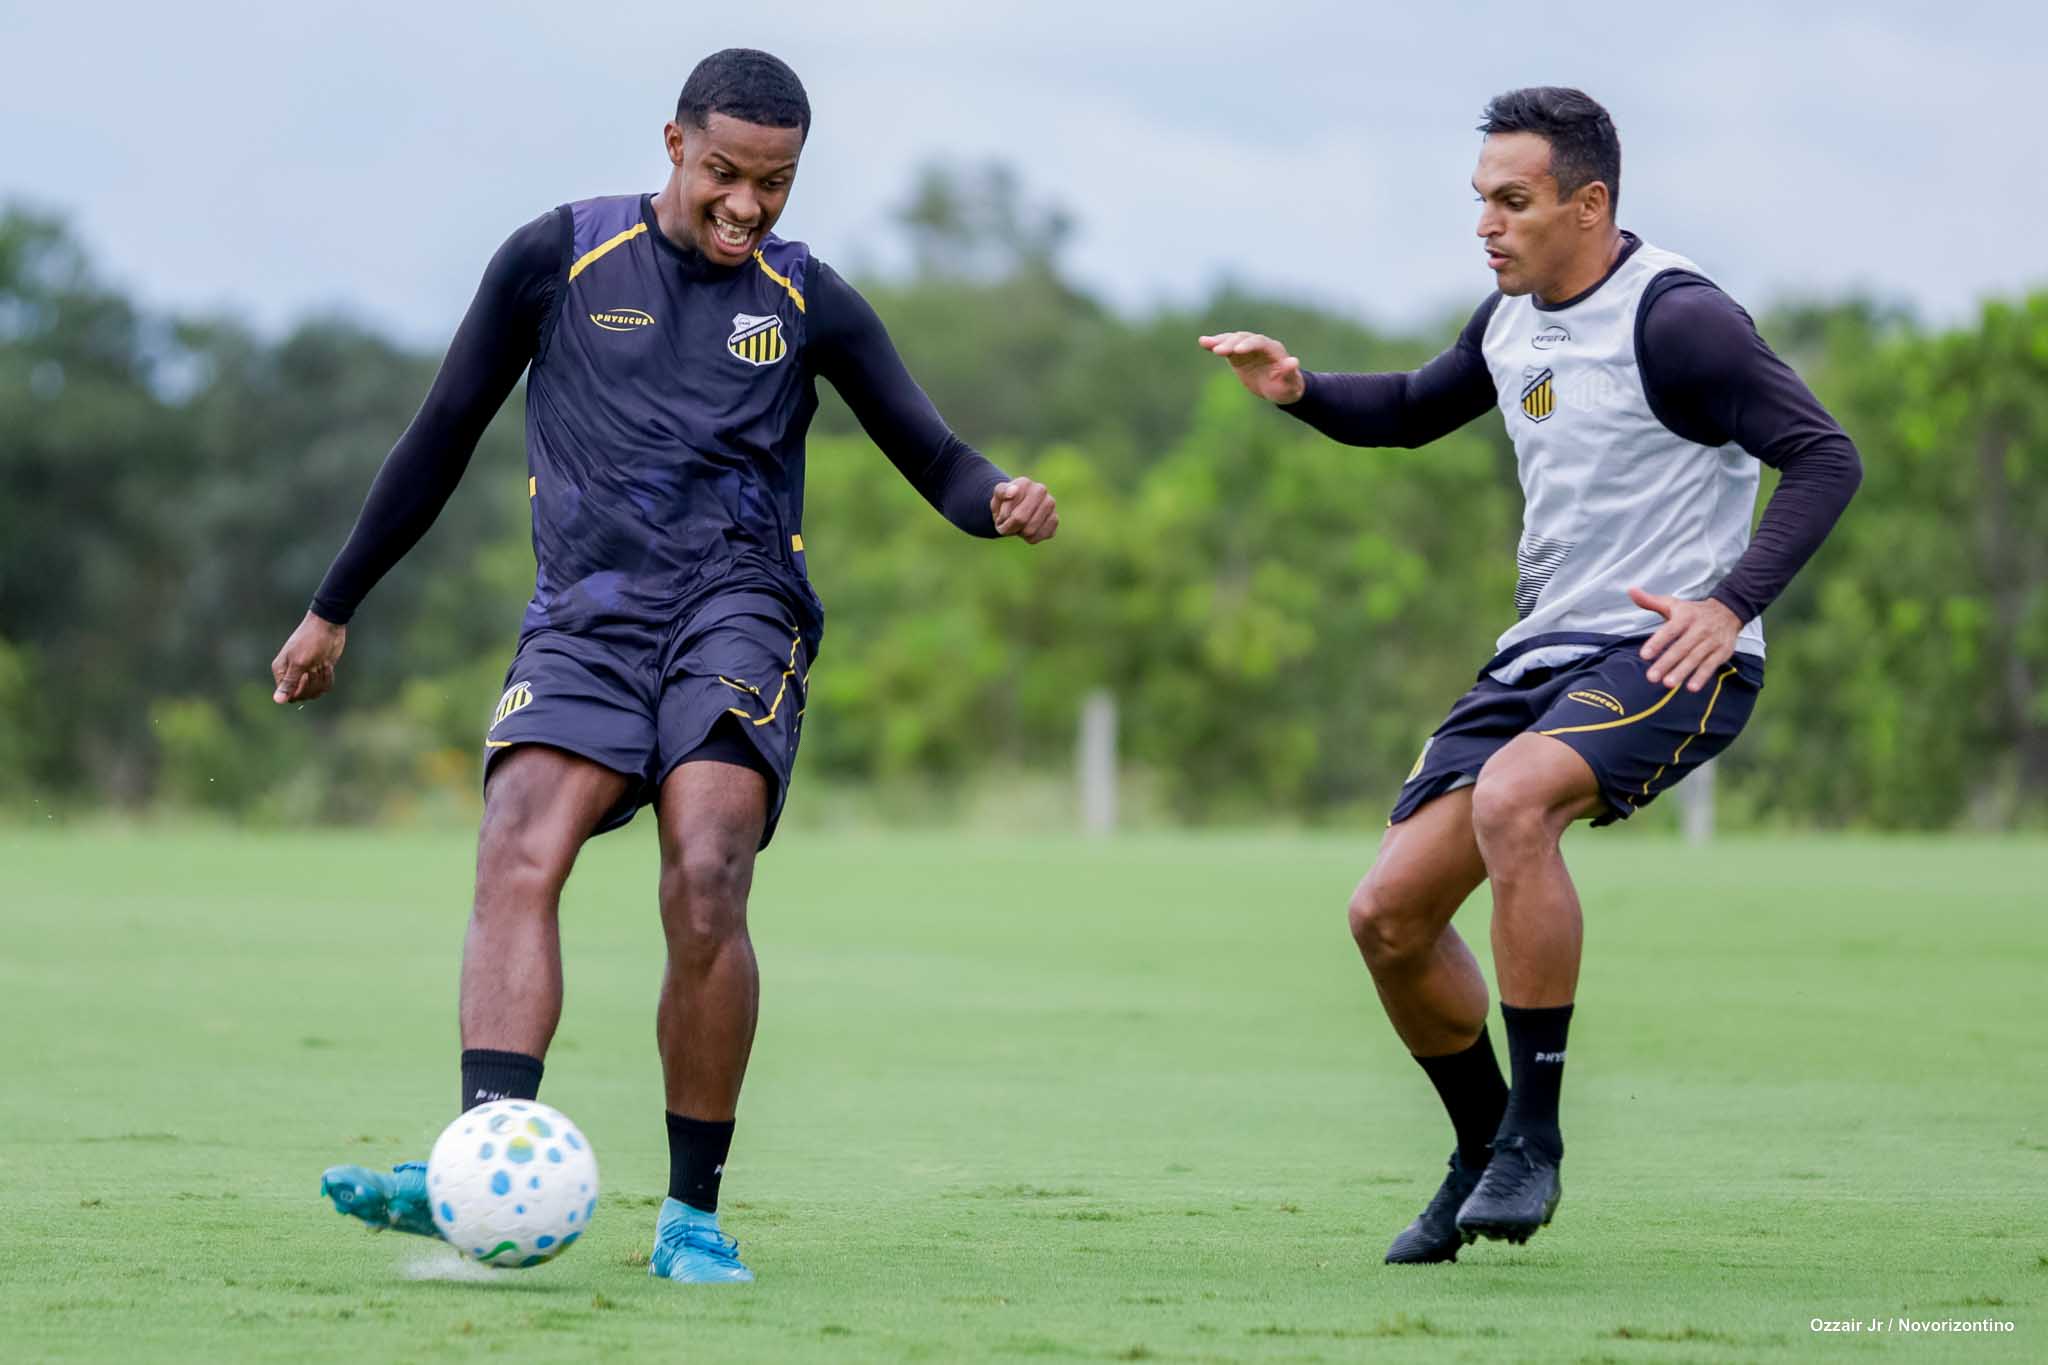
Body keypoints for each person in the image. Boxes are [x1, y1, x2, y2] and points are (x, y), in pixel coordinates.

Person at [276, 48, 1058, 1284]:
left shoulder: (809, 299)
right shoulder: (556, 258)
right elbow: (438, 437)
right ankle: (482, 1163)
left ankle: (691, 1215)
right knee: (515, 841)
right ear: (674, 144)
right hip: (585, 620)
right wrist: (333, 607)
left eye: (775, 183)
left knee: (705, 870)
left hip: (738, 612)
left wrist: (998, 499)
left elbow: (935, 456)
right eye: (724, 174)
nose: (747, 205)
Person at [1200, 86, 1859, 1263]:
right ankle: (1479, 1146)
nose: (1484, 226)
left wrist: (1727, 605)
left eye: (1511, 202)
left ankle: (1534, 1139)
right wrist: (1299, 391)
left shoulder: (1678, 321)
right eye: (1479, 202)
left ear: (1587, 204)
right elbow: (1411, 410)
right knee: (1386, 919)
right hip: (1537, 657)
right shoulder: (1507, 319)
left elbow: (1822, 456)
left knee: (1513, 801)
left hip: (1666, 647)